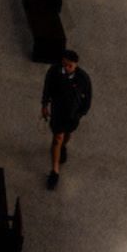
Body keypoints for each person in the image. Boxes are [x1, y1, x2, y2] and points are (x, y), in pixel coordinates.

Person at [41, 49, 94, 189]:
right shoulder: (54, 71)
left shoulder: (83, 78)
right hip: (58, 112)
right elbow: (47, 88)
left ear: (76, 64)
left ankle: (63, 146)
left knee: (67, 134)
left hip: (72, 115)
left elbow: (88, 99)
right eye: (64, 64)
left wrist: (80, 113)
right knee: (57, 137)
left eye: (69, 65)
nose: (66, 68)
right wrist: (44, 104)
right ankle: (55, 170)